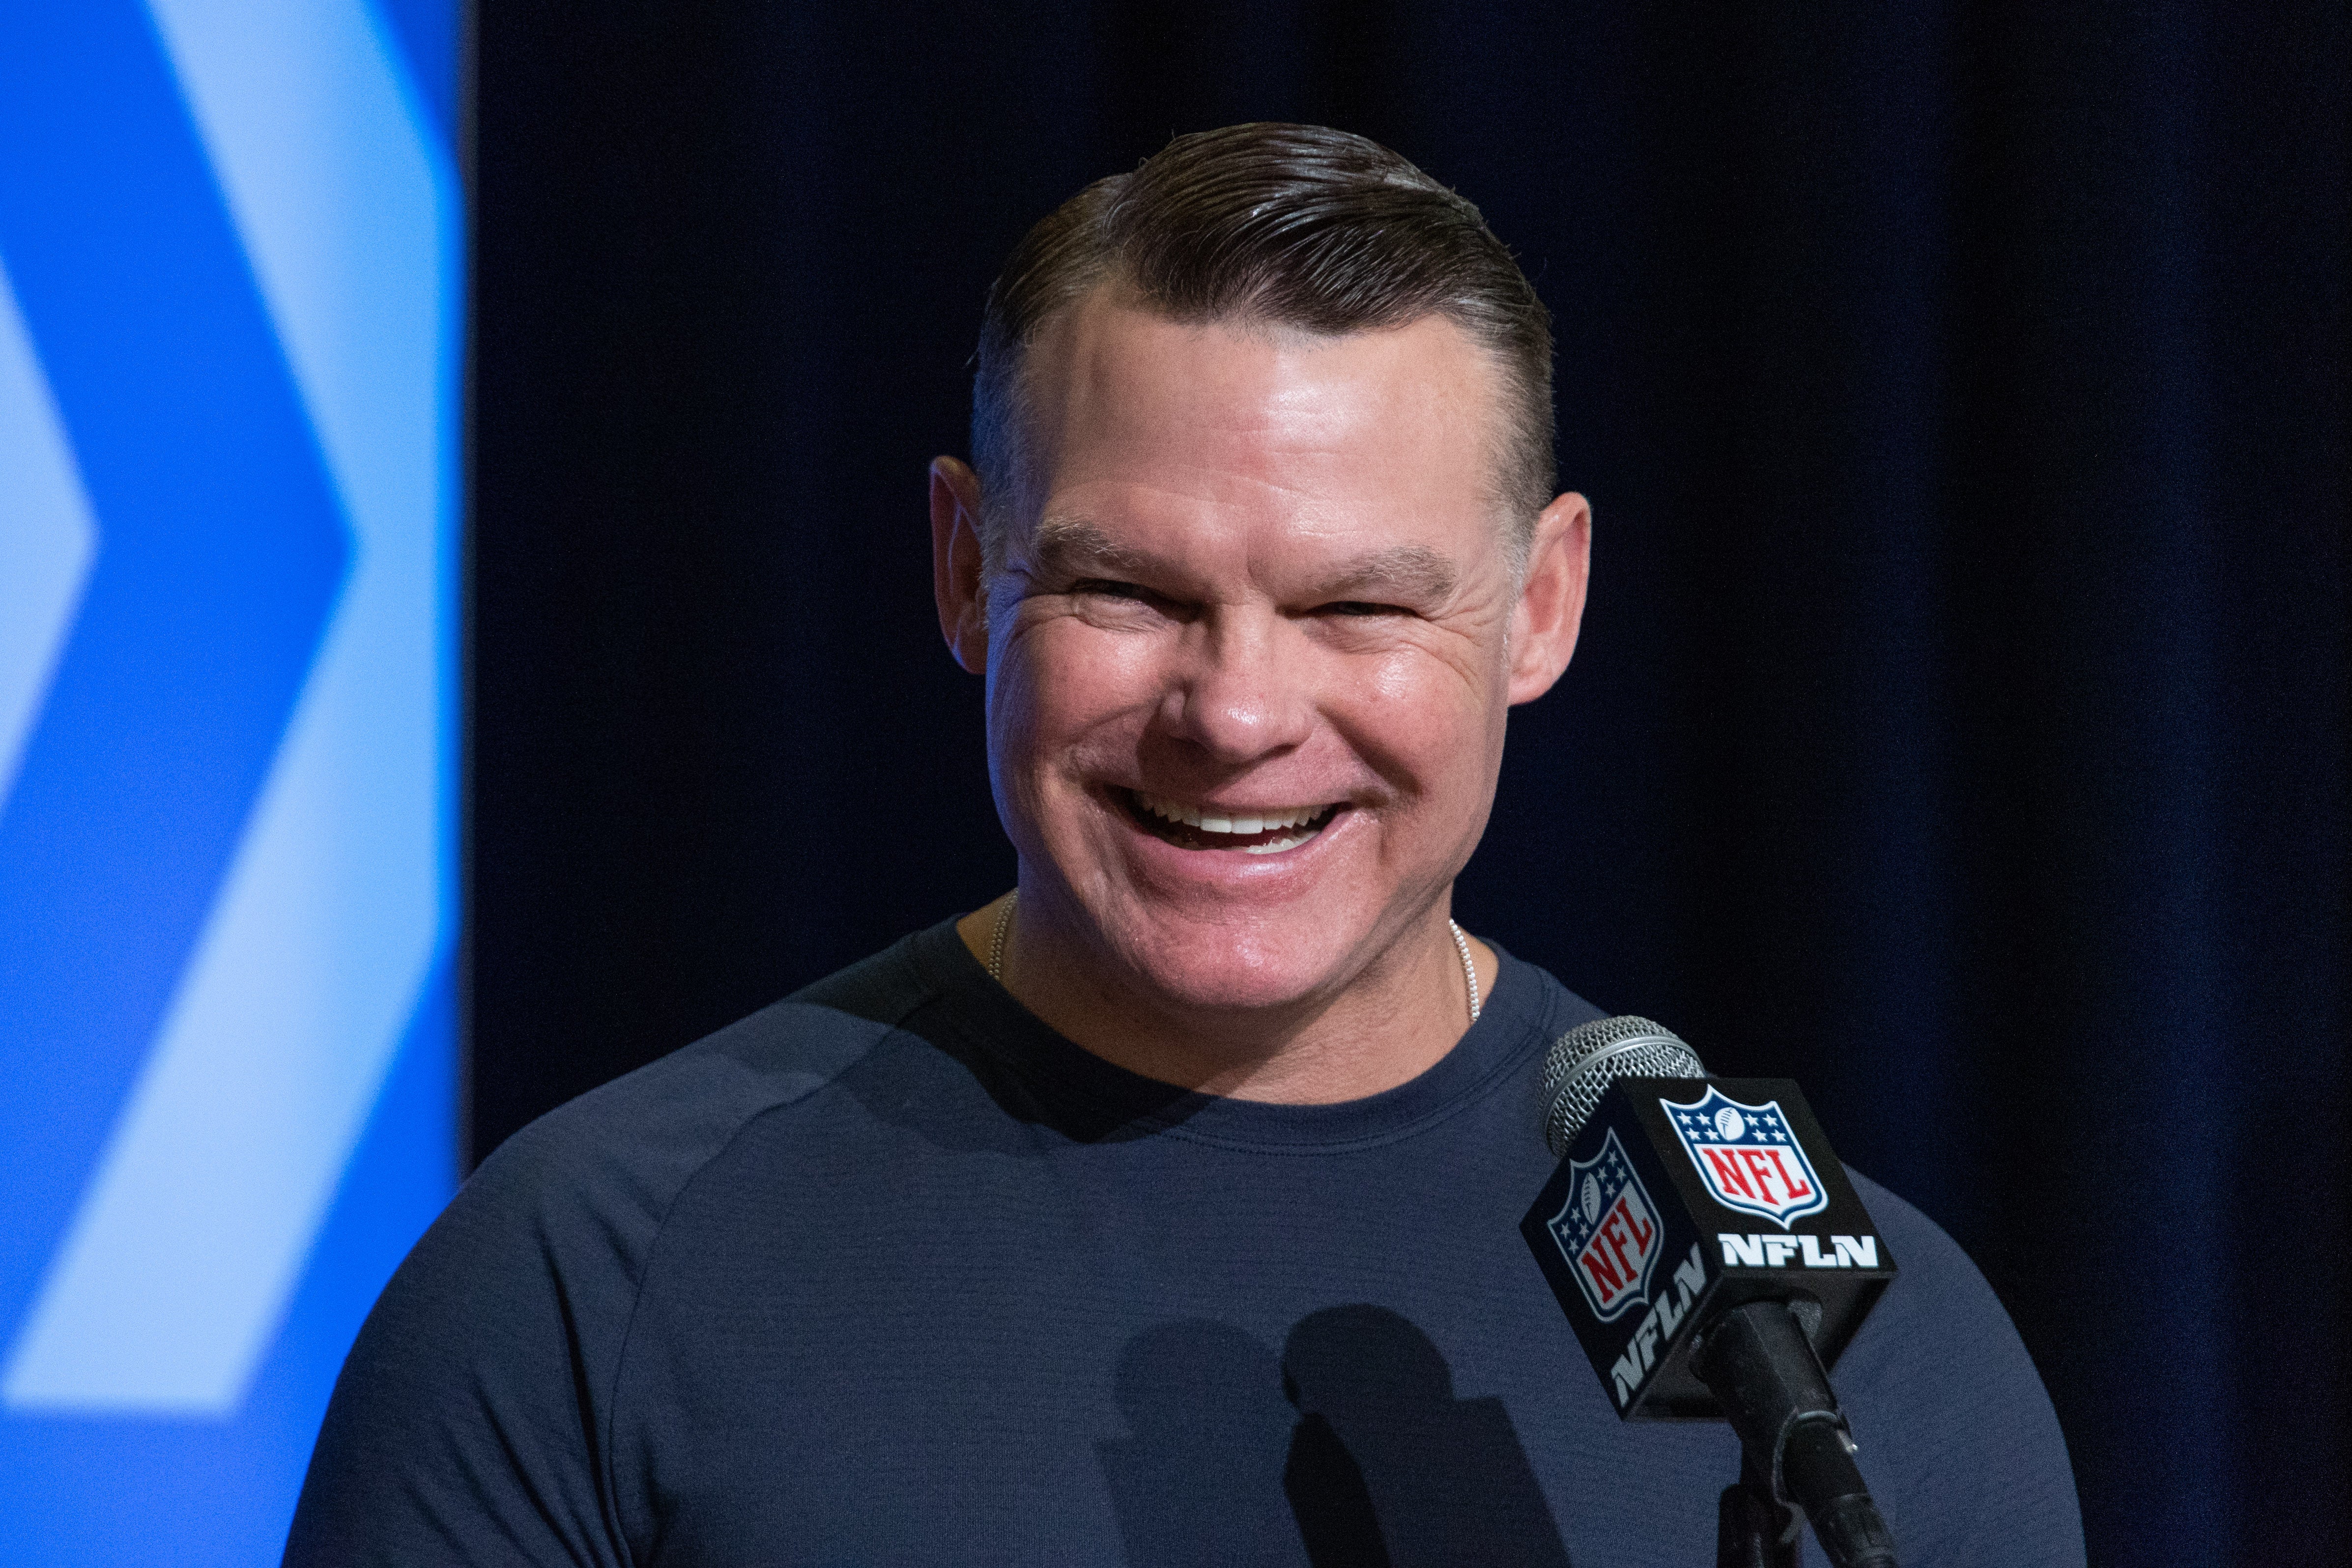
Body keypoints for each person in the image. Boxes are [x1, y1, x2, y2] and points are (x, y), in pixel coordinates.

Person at [285, 123, 2083, 1565]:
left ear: (1541, 608)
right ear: (962, 570)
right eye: (1130, 589)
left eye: (1357, 606)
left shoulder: (1845, 1366)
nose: (1234, 712)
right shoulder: (588, 1279)